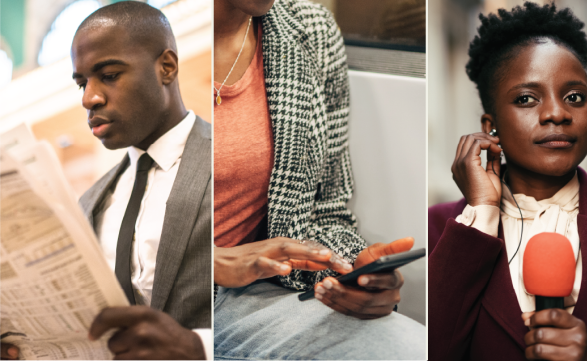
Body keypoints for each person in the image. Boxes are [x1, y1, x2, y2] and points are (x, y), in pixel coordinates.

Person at [213, 0, 425, 359]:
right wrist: (214, 261)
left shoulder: (310, 30)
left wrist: (352, 267)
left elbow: (326, 209)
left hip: (256, 294)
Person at [429, 2, 587, 360]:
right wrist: (482, 213)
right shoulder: (443, 228)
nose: (557, 113)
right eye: (527, 98)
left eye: (574, 97)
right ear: (488, 126)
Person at [0, 3, 211, 361]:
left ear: (167, 67)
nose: (88, 98)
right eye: (82, 83)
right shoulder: (91, 201)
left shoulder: (221, 161)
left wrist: (199, 348)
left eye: (109, 75)